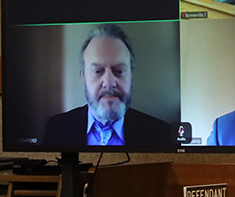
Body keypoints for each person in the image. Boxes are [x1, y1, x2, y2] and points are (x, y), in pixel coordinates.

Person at [42, 24, 173, 149]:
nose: (109, 82)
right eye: (98, 71)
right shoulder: (56, 129)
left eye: (119, 71)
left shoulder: (160, 134)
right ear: (83, 78)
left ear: (131, 76)